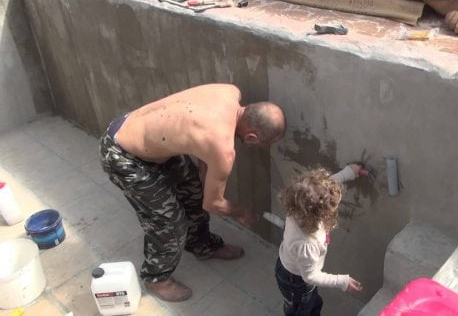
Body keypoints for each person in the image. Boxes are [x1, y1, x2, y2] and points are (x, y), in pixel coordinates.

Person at [99, 83, 286, 302]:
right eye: (258, 144)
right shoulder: (223, 149)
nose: (254, 147)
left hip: (148, 138)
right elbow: (213, 204)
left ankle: (202, 245)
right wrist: (241, 212)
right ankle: (156, 278)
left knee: (194, 193)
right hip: (123, 154)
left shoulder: (229, 91)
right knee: (168, 221)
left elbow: (199, 138)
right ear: (252, 137)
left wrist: (206, 172)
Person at [275, 164, 364, 316]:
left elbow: (320, 190)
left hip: (295, 270)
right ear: (320, 214)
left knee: (313, 303)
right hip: (296, 281)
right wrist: (342, 282)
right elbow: (310, 276)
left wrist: (348, 173)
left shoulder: (300, 205)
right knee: (301, 310)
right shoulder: (306, 244)